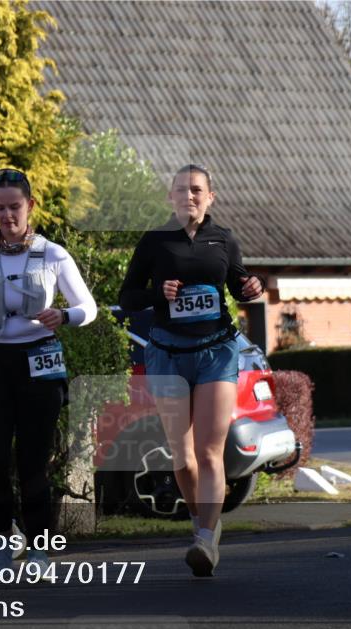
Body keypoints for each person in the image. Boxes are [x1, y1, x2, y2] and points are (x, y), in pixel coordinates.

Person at [0, 168, 97, 570]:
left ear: (30, 206)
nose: (7, 216)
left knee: (34, 457)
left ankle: (39, 548)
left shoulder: (53, 254)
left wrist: (63, 317)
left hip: (39, 357)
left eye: (15, 207)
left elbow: (89, 308)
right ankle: (3, 538)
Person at [118, 164, 263, 576]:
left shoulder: (224, 240)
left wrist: (253, 287)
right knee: (182, 458)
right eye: (181, 190)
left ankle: (205, 536)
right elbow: (127, 298)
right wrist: (156, 294)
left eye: (197, 190)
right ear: (171, 198)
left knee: (209, 451)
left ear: (210, 197)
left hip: (216, 349)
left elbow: (239, 286)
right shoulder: (155, 242)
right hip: (167, 352)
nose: (189, 196)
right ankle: (205, 528)